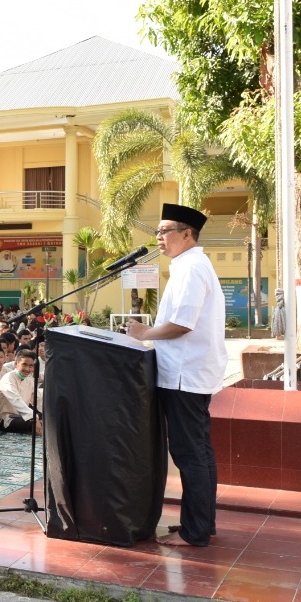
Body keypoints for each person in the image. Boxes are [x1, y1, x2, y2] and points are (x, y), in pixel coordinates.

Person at [127, 203, 226, 548]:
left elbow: (183, 324)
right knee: (199, 451)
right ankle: (202, 524)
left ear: (187, 234)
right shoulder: (189, 264)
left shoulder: (191, 268)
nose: (158, 238)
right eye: (156, 232)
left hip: (184, 375)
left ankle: (195, 531)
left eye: (164, 231)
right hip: (189, 372)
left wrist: (143, 333)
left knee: (190, 453)